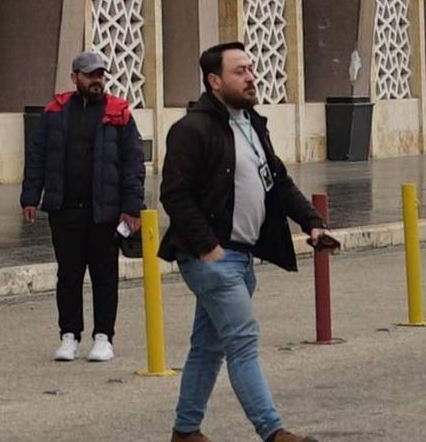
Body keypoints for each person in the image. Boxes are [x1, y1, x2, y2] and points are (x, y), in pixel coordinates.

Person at [160, 42, 333, 442]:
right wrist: (209, 249)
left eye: (251, 69)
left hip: (240, 256)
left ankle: (185, 431)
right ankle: (273, 432)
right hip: (213, 259)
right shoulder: (192, 129)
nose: (252, 77)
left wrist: (312, 223)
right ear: (214, 81)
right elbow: (175, 194)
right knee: (243, 340)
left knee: (209, 346)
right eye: (240, 71)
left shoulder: (253, 124)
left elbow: (279, 182)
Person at [21, 48, 144, 363]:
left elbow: (133, 164)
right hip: (65, 209)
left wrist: (132, 207)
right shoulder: (55, 113)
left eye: (100, 75)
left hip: (105, 211)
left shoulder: (119, 114)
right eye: (90, 75)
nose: (96, 80)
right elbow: (36, 157)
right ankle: (69, 336)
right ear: (75, 77)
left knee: (105, 276)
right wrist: (30, 197)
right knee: (69, 275)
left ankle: (104, 337)